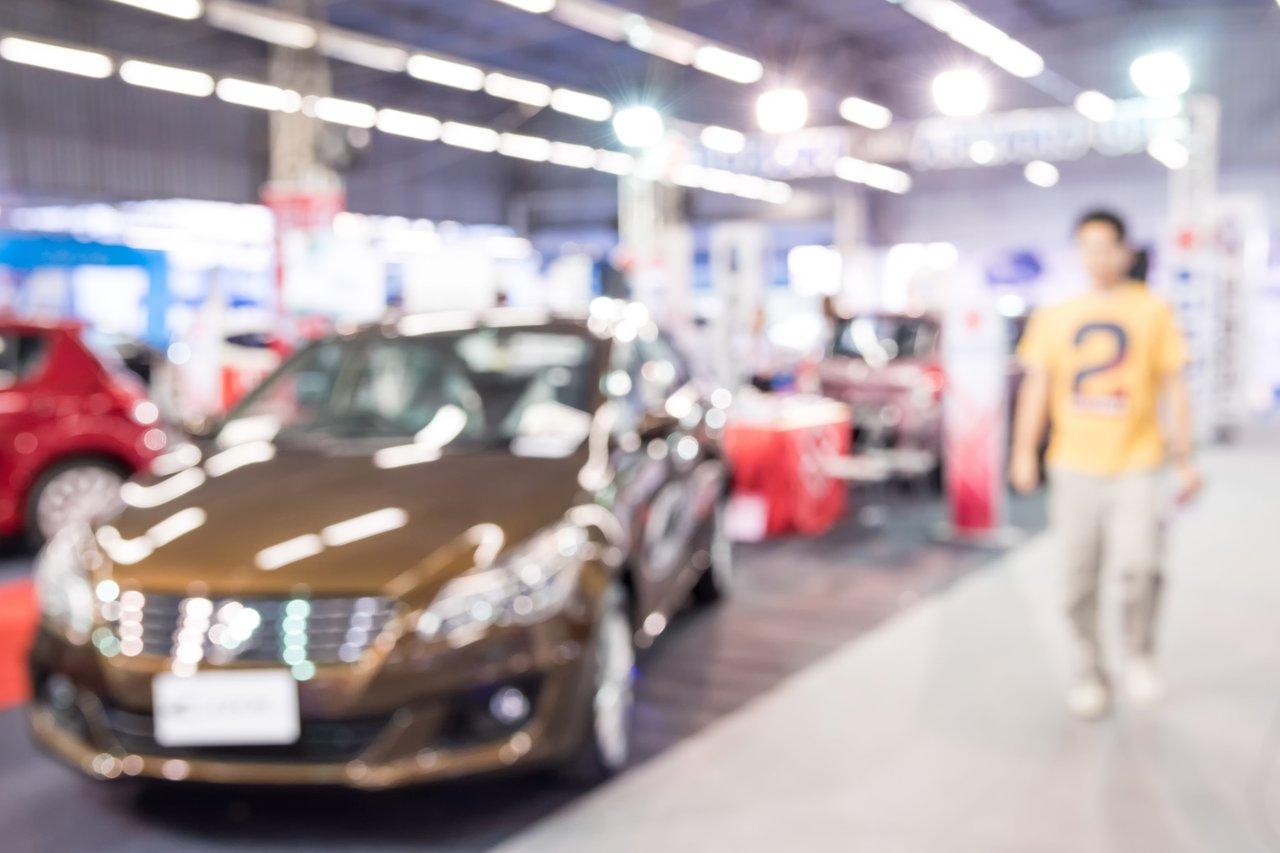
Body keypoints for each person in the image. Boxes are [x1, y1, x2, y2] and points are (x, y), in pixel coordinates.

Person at [1010, 210, 1202, 721]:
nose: (1096, 257)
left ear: (1124, 251)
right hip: (1073, 464)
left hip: (1137, 461)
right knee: (1077, 579)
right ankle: (1089, 669)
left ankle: (1139, 651)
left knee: (1141, 566)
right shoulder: (1055, 314)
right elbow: (1037, 385)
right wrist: (1022, 450)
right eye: (1086, 247)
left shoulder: (1154, 312)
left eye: (1105, 246)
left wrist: (1185, 460)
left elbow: (1174, 386)